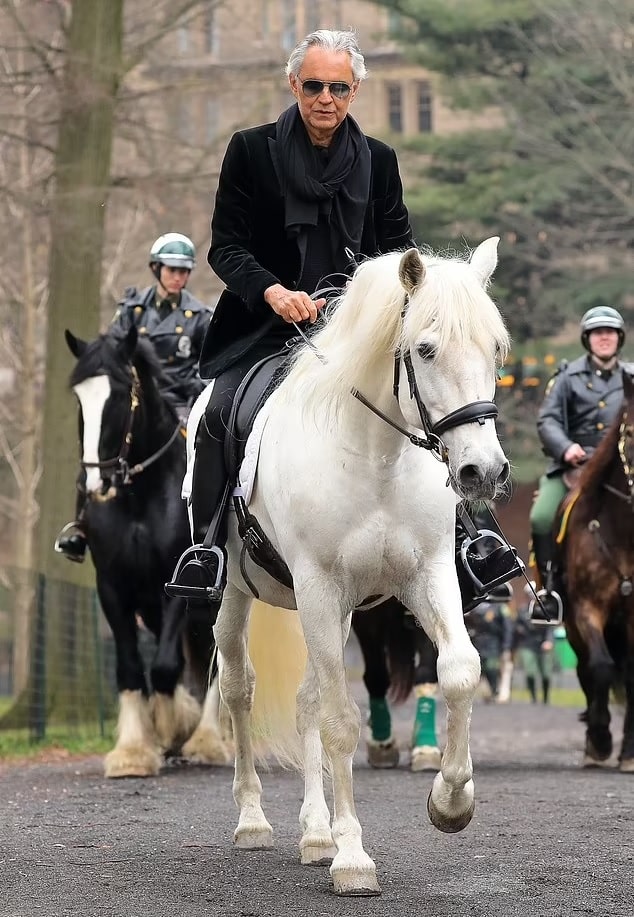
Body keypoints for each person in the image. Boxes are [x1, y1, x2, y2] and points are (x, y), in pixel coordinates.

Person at [170, 28, 519, 610]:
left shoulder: (379, 160)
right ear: (293, 85)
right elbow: (225, 249)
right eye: (313, 86)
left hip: (356, 333)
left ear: (355, 90)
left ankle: (469, 536)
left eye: (338, 86)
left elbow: (398, 249)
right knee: (218, 412)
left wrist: (372, 306)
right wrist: (273, 292)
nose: (325, 98)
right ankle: (207, 547)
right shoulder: (250, 150)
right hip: (266, 327)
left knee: (425, 406)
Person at [54, 232, 213, 563]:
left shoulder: (200, 317)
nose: (178, 277)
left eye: (184, 271)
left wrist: (195, 391)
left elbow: (206, 366)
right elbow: (111, 355)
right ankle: (80, 528)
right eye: (171, 270)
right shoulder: (131, 310)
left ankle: (206, 530)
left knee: (205, 448)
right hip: (138, 399)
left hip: (180, 403)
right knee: (98, 442)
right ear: (156, 269)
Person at [529, 305, 629, 617]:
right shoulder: (567, 377)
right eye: (598, 333)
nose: (604, 338)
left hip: (623, 467)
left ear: (619, 338)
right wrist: (566, 447)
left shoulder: (632, 378)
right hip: (575, 466)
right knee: (541, 517)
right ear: (587, 339)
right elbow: (547, 422)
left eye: (610, 332)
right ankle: (548, 590)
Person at [465, 583, 514, 701]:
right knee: (480, 669)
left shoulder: (499, 607)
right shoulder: (475, 606)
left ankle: (494, 690)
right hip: (477, 642)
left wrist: (506, 646)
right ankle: (488, 691)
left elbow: (507, 628)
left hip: (493, 643)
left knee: (492, 667)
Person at [513, 584, 556, 703]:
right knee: (530, 673)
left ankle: (546, 699)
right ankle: (534, 698)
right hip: (528, 644)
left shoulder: (546, 610)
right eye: (530, 595)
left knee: (546, 674)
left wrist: (549, 641)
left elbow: (550, 627)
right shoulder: (522, 611)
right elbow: (516, 627)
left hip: (543, 644)